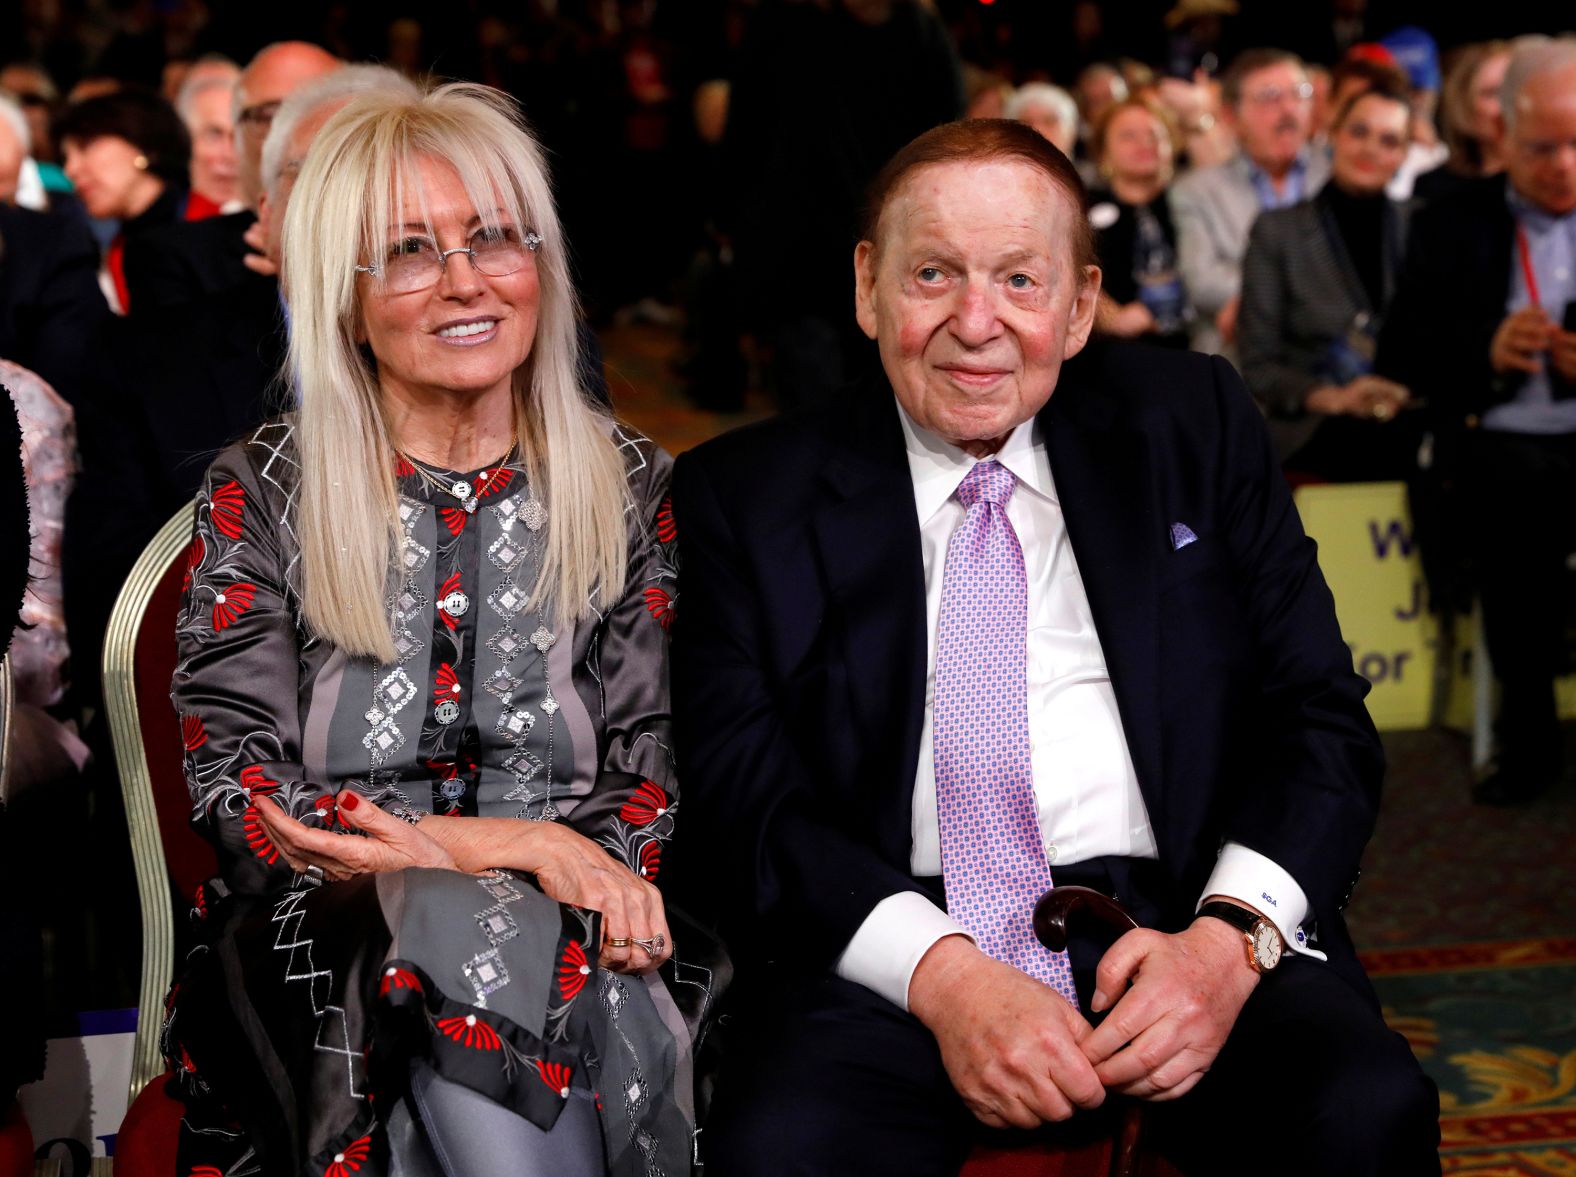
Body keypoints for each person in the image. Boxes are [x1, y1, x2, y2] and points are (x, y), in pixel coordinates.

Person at [671, 118, 1438, 1177]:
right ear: (867, 288)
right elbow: (744, 802)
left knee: (1363, 1109)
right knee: (781, 1149)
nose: (973, 322)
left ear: (1079, 305)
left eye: (1019, 282)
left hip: (1181, 917)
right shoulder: (741, 496)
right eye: (932, 273)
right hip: (893, 940)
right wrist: (944, 977)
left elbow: (1318, 718)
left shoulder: (1192, 425)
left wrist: (1226, 945)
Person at [160, 82, 706, 1177]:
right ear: (341, 298)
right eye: (408, 251)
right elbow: (243, 795)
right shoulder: (265, 489)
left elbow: (643, 775)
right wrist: (518, 846)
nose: (465, 281)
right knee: (434, 939)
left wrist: (546, 869)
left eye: (496, 238)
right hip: (316, 949)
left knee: (474, 1015)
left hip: (584, 937)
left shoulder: (630, 481)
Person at [1377, 37, 1576, 806]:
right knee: (1514, 570)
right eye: (1542, 148)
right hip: (1500, 442)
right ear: (1502, 138)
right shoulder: (1451, 219)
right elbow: (1403, 350)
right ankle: (1529, 750)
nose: (1562, 165)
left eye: (1575, 145)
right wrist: (1486, 349)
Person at [1238, 81, 1416, 477]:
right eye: (1359, 132)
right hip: (1314, 428)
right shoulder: (1277, 231)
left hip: (1408, 421)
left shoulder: (1423, 225)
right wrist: (1334, 398)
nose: (1370, 149)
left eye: (1389, 140)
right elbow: (1259, 366)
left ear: (1404, 155)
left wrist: (1403, 395)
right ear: (1333, 134)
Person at [122, 41, 341, 313]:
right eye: (271, 115)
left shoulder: (390, 234)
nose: (297, 133)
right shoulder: (171, 256)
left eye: (320, 111)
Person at [1172, 48, 1330, 356]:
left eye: (1299, 93)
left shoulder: (1336, 176)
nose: (1288, 109)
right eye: (1270, 97)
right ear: (1231, 116)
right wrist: (1304, 291)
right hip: (1239, 357)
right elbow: (1203, 281)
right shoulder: (1197, 190)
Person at [55, 86, 191, 313]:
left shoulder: (217, 221)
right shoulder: (114, 254)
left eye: (85, 146)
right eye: (66, 157)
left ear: (142, 142)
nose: (70, 169)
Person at [1086, 97, 1190, 347]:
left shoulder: (1191, 202)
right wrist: (1113, 317)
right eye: (1128, 136)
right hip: (1111, 350)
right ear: (1103, 152)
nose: (1145, 143)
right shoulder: (1083, 207)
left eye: (1155, 134)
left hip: (1189, 344)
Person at [1414, 40, 1512, 203]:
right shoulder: (1434, 189)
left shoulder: (1549, 180)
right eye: (1491, 94)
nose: (1504, 105)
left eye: (1512, 89)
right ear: (1464, 104)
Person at [173, 61, 241, 216]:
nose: (229, 155)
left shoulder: (278, 227)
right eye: (214, 135)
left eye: (238, 138)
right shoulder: (154, 230)